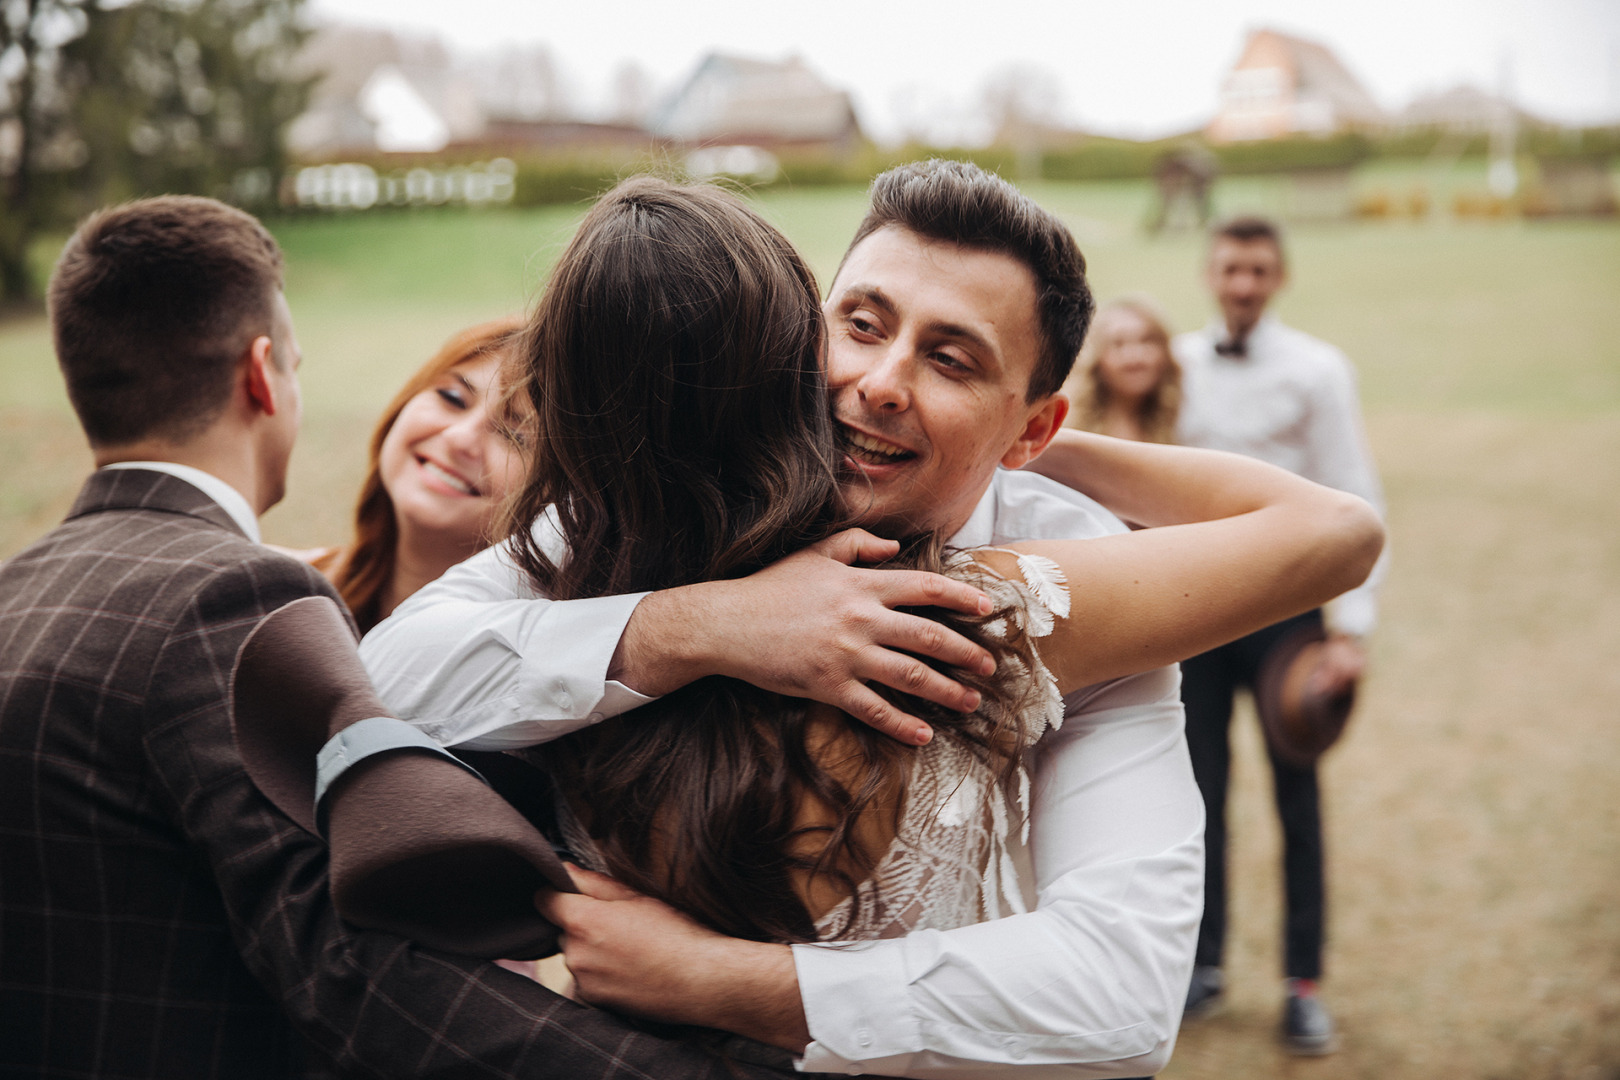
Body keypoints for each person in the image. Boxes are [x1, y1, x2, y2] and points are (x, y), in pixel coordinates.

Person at [361, 163, 1382, 1077]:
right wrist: (710, 624)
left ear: (1034, 423)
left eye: (952, 359)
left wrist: (719, 979)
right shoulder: (680, 489)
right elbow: (394, 675)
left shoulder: (1071, 580)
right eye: (861, 323)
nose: (879, 384)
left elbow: (1119, 994)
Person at [0, 195, 815, 1079]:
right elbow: (349, 965)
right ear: (263, 378)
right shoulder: (235, 594)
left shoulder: (18, 592)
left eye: (510, 429)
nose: (465, 440)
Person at [1170, 215, 1387, 1055]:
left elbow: (1354, 492)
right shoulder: (1178, 366)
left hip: (1292, 614)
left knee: (1297, 798)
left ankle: (1303, 984)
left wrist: (1352, 630)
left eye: (1260, 270)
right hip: (1198, 603)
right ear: (1210, 273)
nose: (1245, 284)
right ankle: (1201, 963)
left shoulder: (1320, 371)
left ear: (1280, 276)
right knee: (1196, 795)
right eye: (1231, 268)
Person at [296, 317, 530, 631]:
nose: (459, 438)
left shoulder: (526, 660)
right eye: (453, 398)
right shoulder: (275, 593)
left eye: (515, 435)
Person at [1061, 296, 1182, 444]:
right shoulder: (1067, 426)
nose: (1135, 356)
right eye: (1118, 344)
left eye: (1147, 341)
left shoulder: (1182, 420)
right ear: (1095, 358)